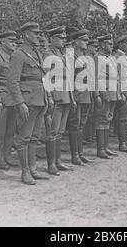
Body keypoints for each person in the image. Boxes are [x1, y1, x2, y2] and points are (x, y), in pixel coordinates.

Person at [7, 21, 54, 185]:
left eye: (39, 33)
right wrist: (20, 103)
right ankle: (25, 171)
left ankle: (33, 168)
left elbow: (42, 78)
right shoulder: (19, 54)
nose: (39, 36)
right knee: (24, 138)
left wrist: (48, 97)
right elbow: (12, 82)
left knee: (34, 137)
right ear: (26, 34)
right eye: (35, 33)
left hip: (39, 100)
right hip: (27, 101)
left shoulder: (37, 53)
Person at [43, 26, 76, 171]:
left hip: (66, 95)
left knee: (60, 131)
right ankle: (51, 164)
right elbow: (45, 77)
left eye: (64, 38)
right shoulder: (47, 54)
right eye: (61, 38)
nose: (64, 40)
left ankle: (58, 161)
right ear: (52, 39)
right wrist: (49, 96)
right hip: (55, 96)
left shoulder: (62, 55)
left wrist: (72, 97)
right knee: (52, 131)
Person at [0, 31, 18, 170]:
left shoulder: (13, 57)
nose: (14, 44)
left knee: (10, 130)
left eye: (15, 41)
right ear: (3, 42)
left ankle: (6, 156)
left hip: (13, 99)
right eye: (11, 41)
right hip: (2, 99)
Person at [66, 28, 94, 164]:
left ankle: (80, 153)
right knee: (74, 125)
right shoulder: (70, 57)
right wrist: (71, 98)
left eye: (87, 40)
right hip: (76, 95)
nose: (86, 42)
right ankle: (75, 155)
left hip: (85, 94)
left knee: (81, 125)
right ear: (76, 42)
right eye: (84, 40)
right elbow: (69, 79)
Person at [93, 34, 121, 158]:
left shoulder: (111, 58)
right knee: (101, 120)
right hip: (104, 93)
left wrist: (119, 93)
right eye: (109, 44)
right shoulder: (97, 58)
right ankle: (100, 149)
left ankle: (106, 147)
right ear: (103, 45)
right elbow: (94, 78)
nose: (111, 46)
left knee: (108, 119)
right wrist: (97, 95)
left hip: (112, 92)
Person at [113, 35, 127, 152]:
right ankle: (122, 143)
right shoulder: (117, 57)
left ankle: (126, 141)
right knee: (122, 119)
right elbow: (116, 77)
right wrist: (120, 93)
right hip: (124, 92)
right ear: (120, 44)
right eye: (126, 44)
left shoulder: (126, 57)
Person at [83, 38, 99, 144]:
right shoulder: (86, 58)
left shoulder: (93, 58)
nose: (95, 49)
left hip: (91, 90)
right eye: (94, 46)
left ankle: (90, 135)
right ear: (89, 47)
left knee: (92, 114)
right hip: (86, 90)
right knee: (86, 115)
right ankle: (86, 136)